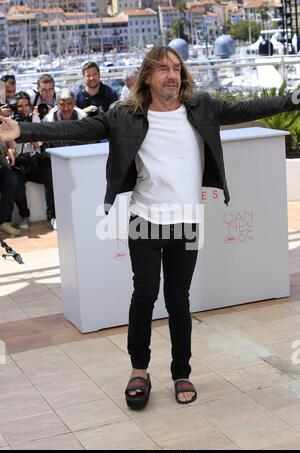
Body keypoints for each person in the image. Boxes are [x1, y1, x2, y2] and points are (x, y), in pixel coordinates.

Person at [0, 46, 299, 409]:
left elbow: (248, 108)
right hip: (145, 220)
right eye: (162, 70)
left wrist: (293, 98)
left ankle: (181, 372)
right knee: (144, 297)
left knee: (178, 300)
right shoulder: (126, 115)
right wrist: (24, 128)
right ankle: (139, 370)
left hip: (186, 222)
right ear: (148, 77)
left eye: (176, 68)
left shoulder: (201, 107)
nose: (171, 75)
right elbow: (78, 128)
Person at [7, 92, 56, 231]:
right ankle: (24, 216)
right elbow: (10, 145)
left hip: (35, 161)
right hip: (19, 164)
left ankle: (52, 216)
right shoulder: (9, 121)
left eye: (26, 105)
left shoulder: (34, 118)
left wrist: (28, 127)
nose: (24, 109)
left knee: (49, 172)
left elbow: (39, 143)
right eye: (20, 106)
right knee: (16, 181)